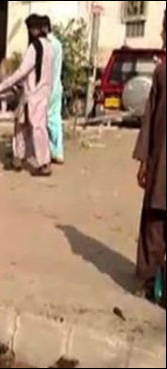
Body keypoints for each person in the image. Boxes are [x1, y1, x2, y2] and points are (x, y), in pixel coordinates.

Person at [0, 15, 54, 177]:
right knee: (23, 126)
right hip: (41, 94)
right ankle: (19, 158)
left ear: (33, 30)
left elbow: (22, 71)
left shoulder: (34, 48)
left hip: (32, 96)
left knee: (35, 128)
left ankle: (42, 163)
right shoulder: (49, 47)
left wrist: (1, 87)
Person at [133, 11, 166, 299]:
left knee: (153, 229)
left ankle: (146, 281)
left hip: (161, 169)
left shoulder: (161, 71)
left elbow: (148, 120)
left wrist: (144, 161)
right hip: (160, 166)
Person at [42, 16, 65, 165]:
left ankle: (51, 151)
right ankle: (58, 151)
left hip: (47, 87)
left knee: (45, 120)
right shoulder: (58, 44)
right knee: (55, 119)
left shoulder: (46, 45)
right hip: (57, 86)